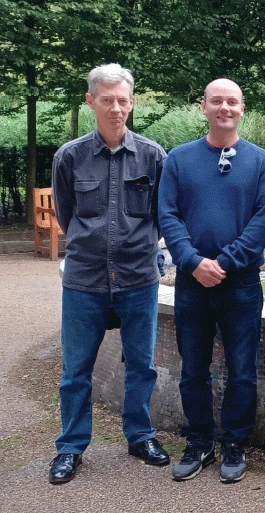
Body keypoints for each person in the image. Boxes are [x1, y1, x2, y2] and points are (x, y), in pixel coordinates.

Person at [49, 63, 169, 484]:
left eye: (122, 100)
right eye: (107, 100)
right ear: (90, 103)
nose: (116, 108)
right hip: (85, 280)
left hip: (138, 277)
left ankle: (140, 436)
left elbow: (160, 215)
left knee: (142, 365)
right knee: (75, 369)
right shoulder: (70, 157)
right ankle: (70, 447)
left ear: (132, 102)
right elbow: (67, 215)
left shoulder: (154, 156)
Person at [158, 78, 265, 484]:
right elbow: (167, 215)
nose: (225, 107)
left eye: (232, 101)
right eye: (217, 101)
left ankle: (234, 443)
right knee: (193, 369)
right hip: (192, 283)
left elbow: (264, 221)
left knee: (242, 370)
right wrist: (192, 261)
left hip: (240, 284)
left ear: (242, 108)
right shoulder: (179, 158)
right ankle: (199, 442)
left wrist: (224, 262)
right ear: (203, 106)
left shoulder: (262, 162)